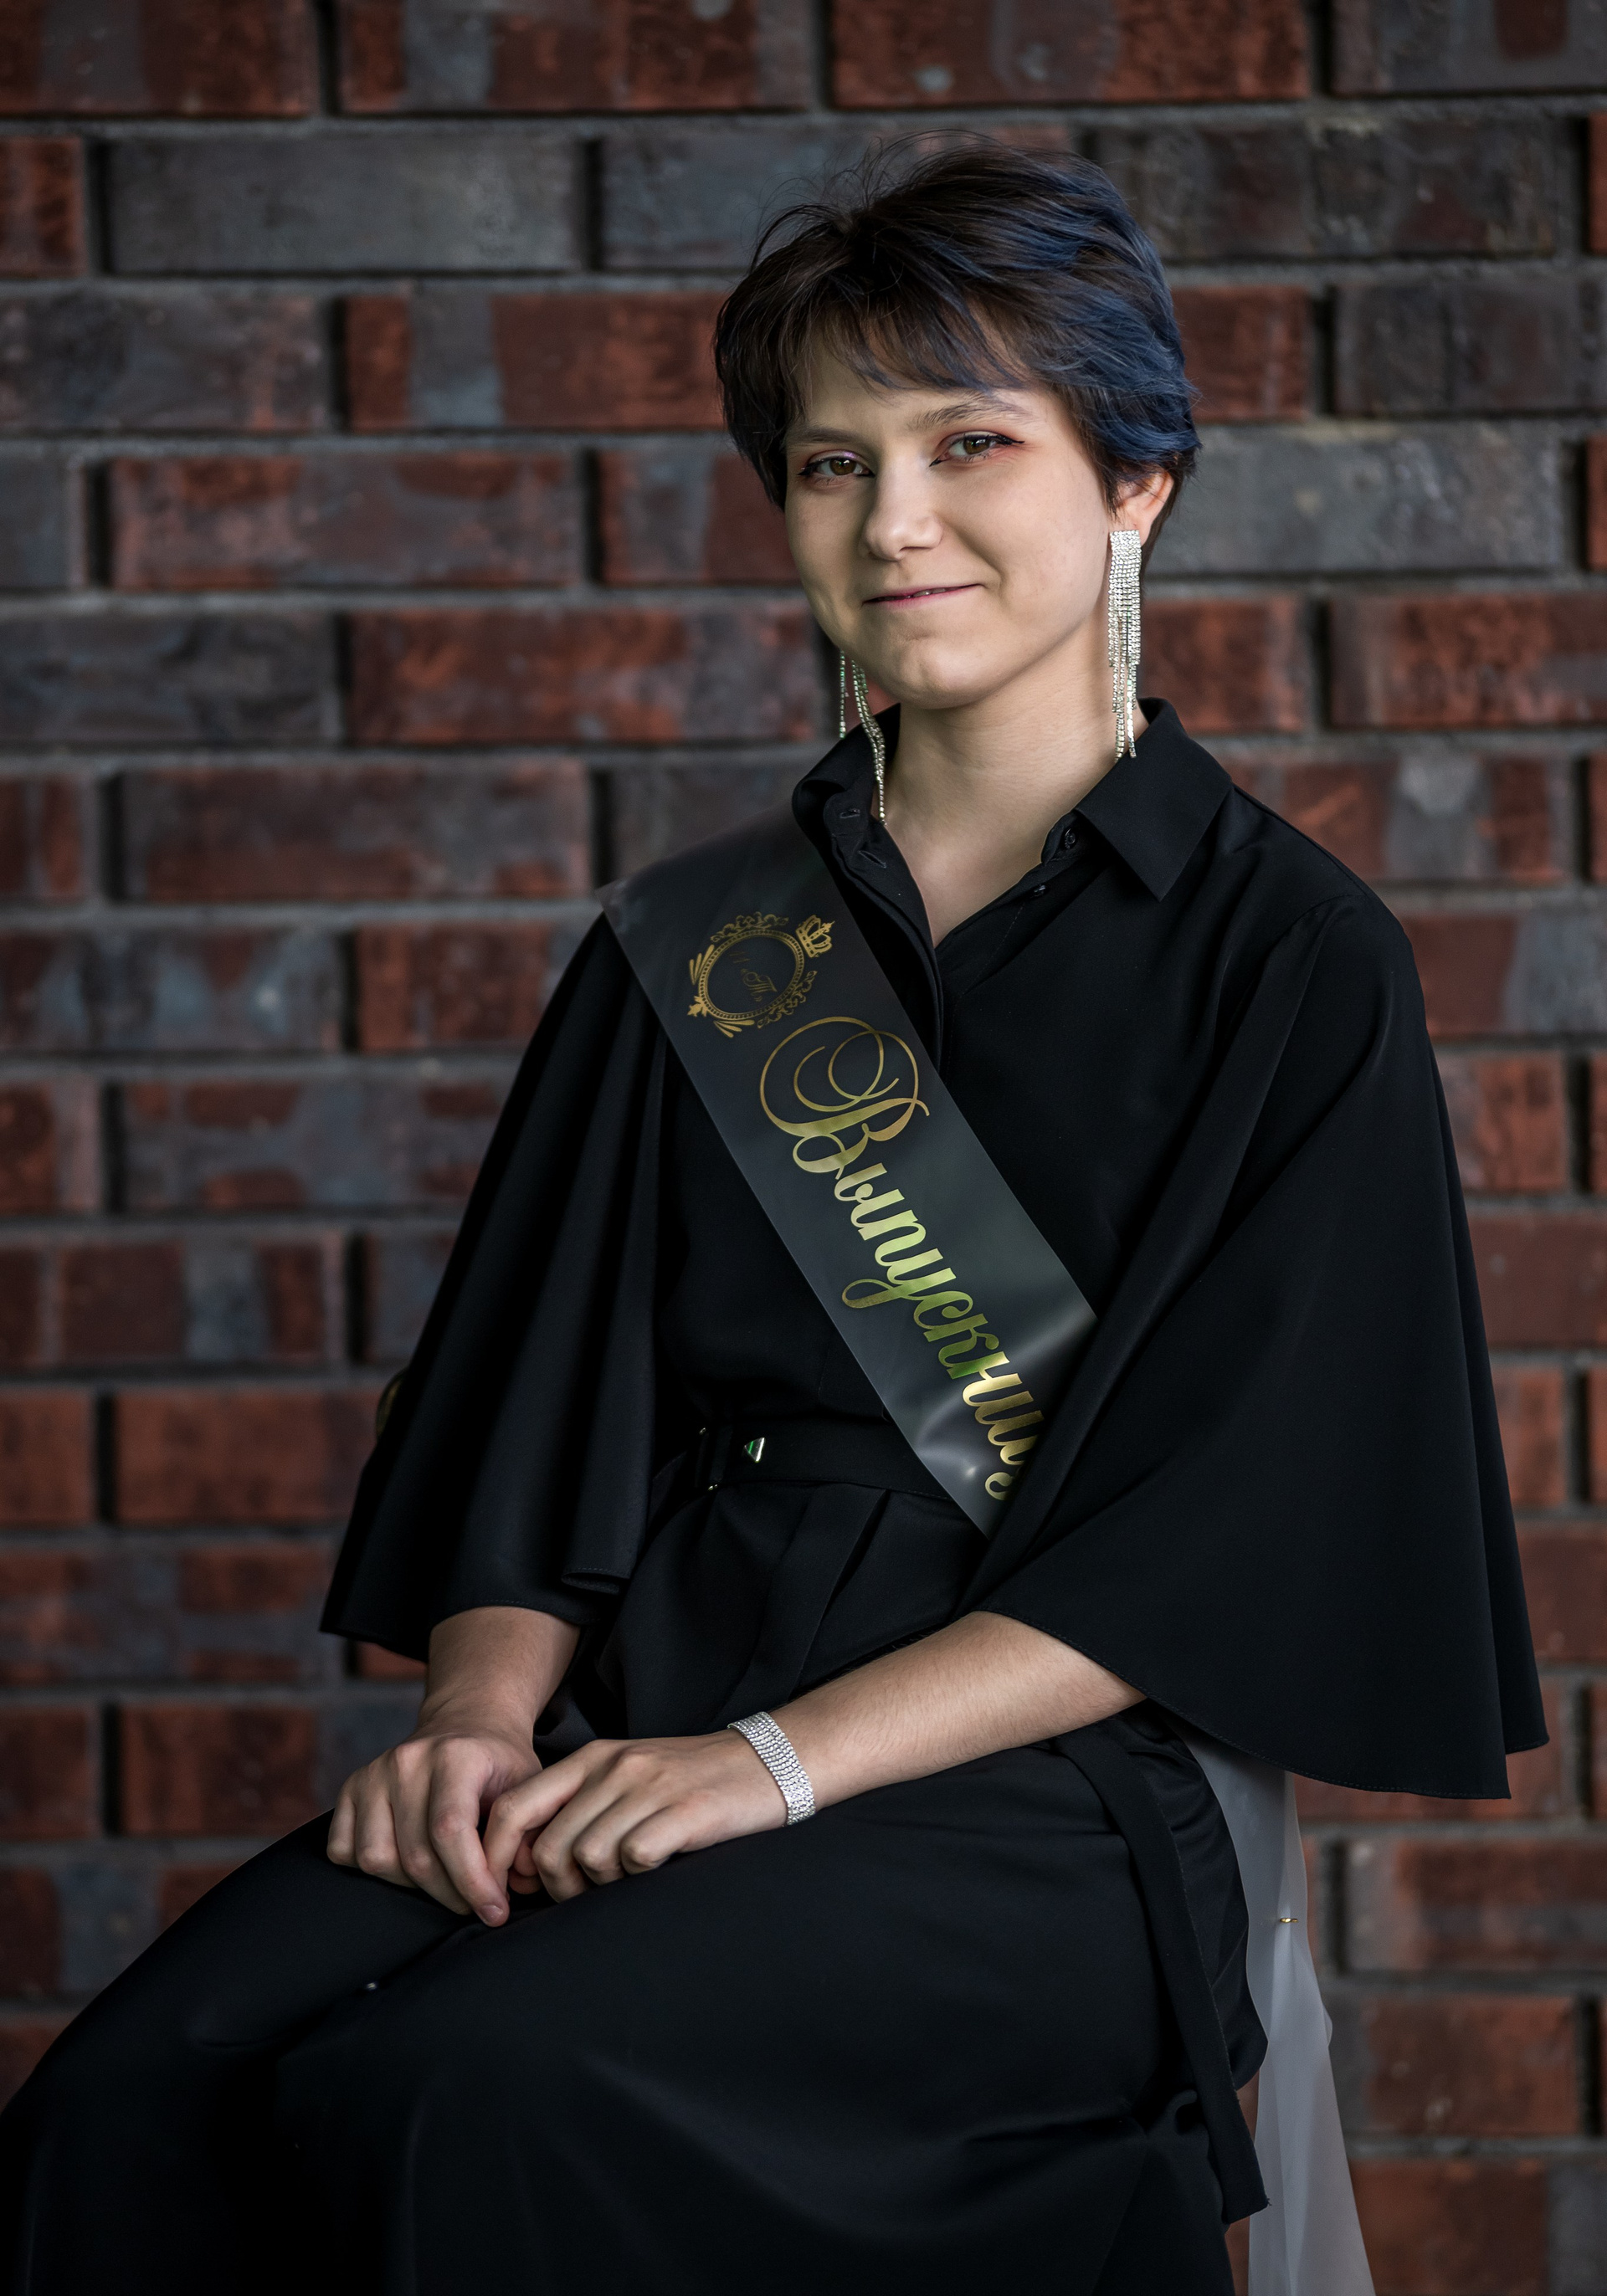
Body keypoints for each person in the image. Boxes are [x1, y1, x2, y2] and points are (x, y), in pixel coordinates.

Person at [0, 144, 1541, 2296]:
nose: (893, 522)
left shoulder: (1292, 961)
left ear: (1138, 483)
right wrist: (473, 1724)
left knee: (475, 2083)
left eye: (970, 444)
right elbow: (542, 1406)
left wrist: (771, 1768)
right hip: (638, 1709)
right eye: (833, 463)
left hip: (1047, 1785)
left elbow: (1238, 1534)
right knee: (125, 2105)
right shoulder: (704, 945)